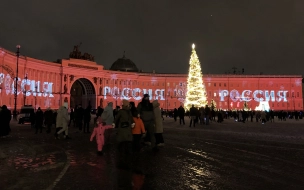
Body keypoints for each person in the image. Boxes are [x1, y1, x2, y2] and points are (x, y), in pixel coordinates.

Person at [113, 99, 135, 170]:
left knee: (122, 146)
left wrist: (114, 124)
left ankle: (122, 162)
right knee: (127, 146)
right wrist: (132, 124)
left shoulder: (121, 112)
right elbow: (132, 120)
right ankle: (127, 162)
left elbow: (116, 119)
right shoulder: (129, 112)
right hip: (127, 131)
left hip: (123, 131)